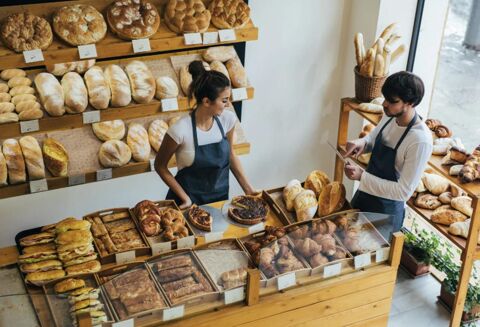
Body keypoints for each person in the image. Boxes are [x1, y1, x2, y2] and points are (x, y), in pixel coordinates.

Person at [154, 60, 256, 209]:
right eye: (224, 100)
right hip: (186, 205)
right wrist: (185, 199)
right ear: (207, 101)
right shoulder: (180, 130)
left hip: (218, 201)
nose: (228, 104)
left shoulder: (228, 120)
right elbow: (160, 166)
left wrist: (248, 189)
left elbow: (230, 154)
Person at [343, 71, 433, 232]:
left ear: (410, 103)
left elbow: (403, 192)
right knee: (345, 243)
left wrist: (362, 176)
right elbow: (374, 137)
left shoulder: (420, 141)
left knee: (367, 256)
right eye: (385, 98)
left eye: (392, 101)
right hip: (363, 197)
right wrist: (362, 143)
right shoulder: (390, 114)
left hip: (385, 214)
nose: (384, 104)